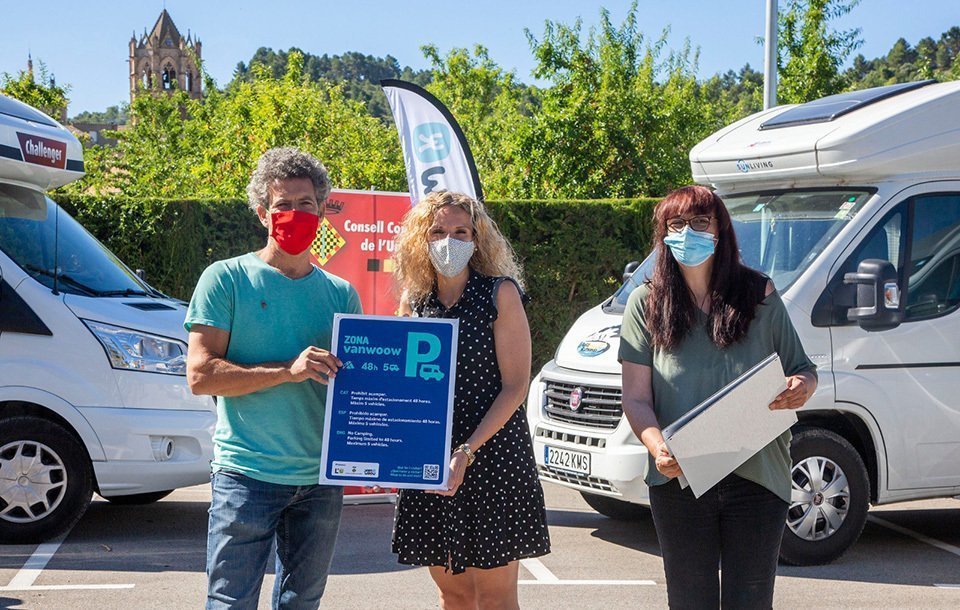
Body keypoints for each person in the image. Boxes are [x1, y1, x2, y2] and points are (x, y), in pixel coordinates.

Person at [619, 185, 818, 609]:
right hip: (680, 481)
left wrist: (801, 388)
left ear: (720, 229)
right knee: (691, 601)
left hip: (758, 477)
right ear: (663, 234)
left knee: (750, 600)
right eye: (676, 224)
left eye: (699, 222)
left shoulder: (759, 294)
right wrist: (658, 449)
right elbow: (636, 399)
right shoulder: (645, 303)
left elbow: (803, 370)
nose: (687, 233)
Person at [185, 147, 362, 609]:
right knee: (230, 603)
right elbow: (201, 375)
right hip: (246, 475)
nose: (295, 214)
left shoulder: (341, 294)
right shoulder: (225, 279)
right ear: (263, 213)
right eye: (283, 205)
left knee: (302, 603)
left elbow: (359, 391)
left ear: (323, 212)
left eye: (306, 204)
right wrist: (289, 370)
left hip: (320, 480)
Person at [390, 191, 550, 609]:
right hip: (431, 460)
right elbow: (401, 389)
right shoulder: (415, 302)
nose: (448, 240)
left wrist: (466, 451)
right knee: (453, 593)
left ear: (477, 240)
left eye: (460, 231)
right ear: (421, 240)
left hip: (493, 456)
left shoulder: (500, 294)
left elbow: (516, 386)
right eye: (438, 231)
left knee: (495, 598)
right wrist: (385, 449)